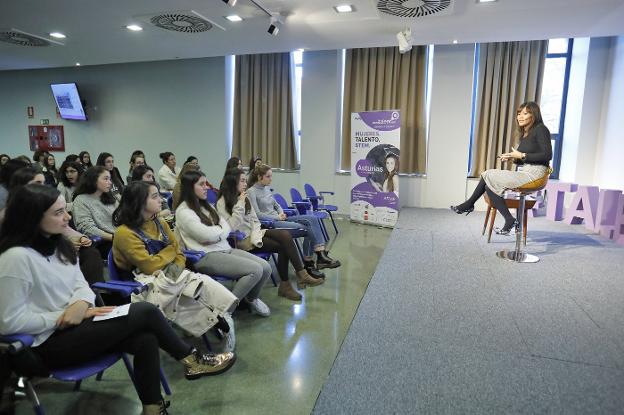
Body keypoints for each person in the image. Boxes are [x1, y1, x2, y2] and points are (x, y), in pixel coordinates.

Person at [0, 184, 236, 415]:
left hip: (79, 327)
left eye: (65, 210)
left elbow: (80, 284)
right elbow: (9, 323)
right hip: (46, 344)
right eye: (59, 212)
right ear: (32, 217)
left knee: (146, 338)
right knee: (144, 311)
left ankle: (153, 408)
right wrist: (61, 317)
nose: (67, 217)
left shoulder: (60, 245)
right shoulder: (16, 258)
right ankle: (191, 360)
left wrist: (81, 304)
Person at [112, 181, 238, 347]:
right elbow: (148, 266)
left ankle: (222, 318)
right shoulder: (124, 232)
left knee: (201, 284)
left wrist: (175, 267)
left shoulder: (160, 223)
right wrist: (170, 252)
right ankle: (219, 322)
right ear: (139, 201)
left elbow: (179, 253)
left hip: (170, 271)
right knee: (189, 293)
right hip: (142, 280)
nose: (161, 200)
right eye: (155, 196)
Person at [175, 170, 271, 315]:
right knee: (255, 270)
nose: (207, 187)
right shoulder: (183, 212)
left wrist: (217, 234)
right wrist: (219, 232)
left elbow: (225, 226)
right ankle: (224, 312)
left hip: (223, 248)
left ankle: (251, 299)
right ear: (190, 187)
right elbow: (204, 236)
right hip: (205, 255)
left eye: (206, 183)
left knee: (266, 267)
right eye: (202, 184)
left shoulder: (206, 206)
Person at [217, 168, 323, 301]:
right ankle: (290, 283)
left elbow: (254, 219)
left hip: (255, 233)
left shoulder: (244, 197)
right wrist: (239, 204)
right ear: (233, 183)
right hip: (241, 240)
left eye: (245, 180)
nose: (245, 184)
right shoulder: (222, 202)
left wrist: (257, 232)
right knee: (283, 244)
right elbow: (231, 227)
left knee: (285, 236)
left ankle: (299, 276)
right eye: (242, 181)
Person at [451, 101, 552, 235]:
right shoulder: (525, 134)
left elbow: (547, 155)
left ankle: (469, 204)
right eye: (518, 114)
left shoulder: (541, 129)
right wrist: (513, 158)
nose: (520, 116)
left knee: (488, 174)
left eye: (525, 113)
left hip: (536, 174)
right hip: (527, 171)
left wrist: (521, 155)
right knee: (488, 184)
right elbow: (526, 159)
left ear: (534, 115)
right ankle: (509, 219)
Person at [247, 164, 340, 271]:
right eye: (268, 176)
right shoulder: (251, 192)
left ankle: (320, 255)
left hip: (280, 218)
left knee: (313, 220)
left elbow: (276, 205)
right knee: (309, 229)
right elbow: (257, 214)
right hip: (271, 224)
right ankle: (310, 262)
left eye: (271, 176)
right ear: (259, 177)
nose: (271, 179)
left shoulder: (266, 189)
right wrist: (277, 217)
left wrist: (281, 213)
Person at [72, 166, 118, 257]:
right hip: (103, 243)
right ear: (93, 180)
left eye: (110, 179)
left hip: (119, 237)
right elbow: (88, 229)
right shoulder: (81, 200)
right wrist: (114, 238)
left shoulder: (110, 197)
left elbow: (123, 217)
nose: (110, 182)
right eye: (106, 179)